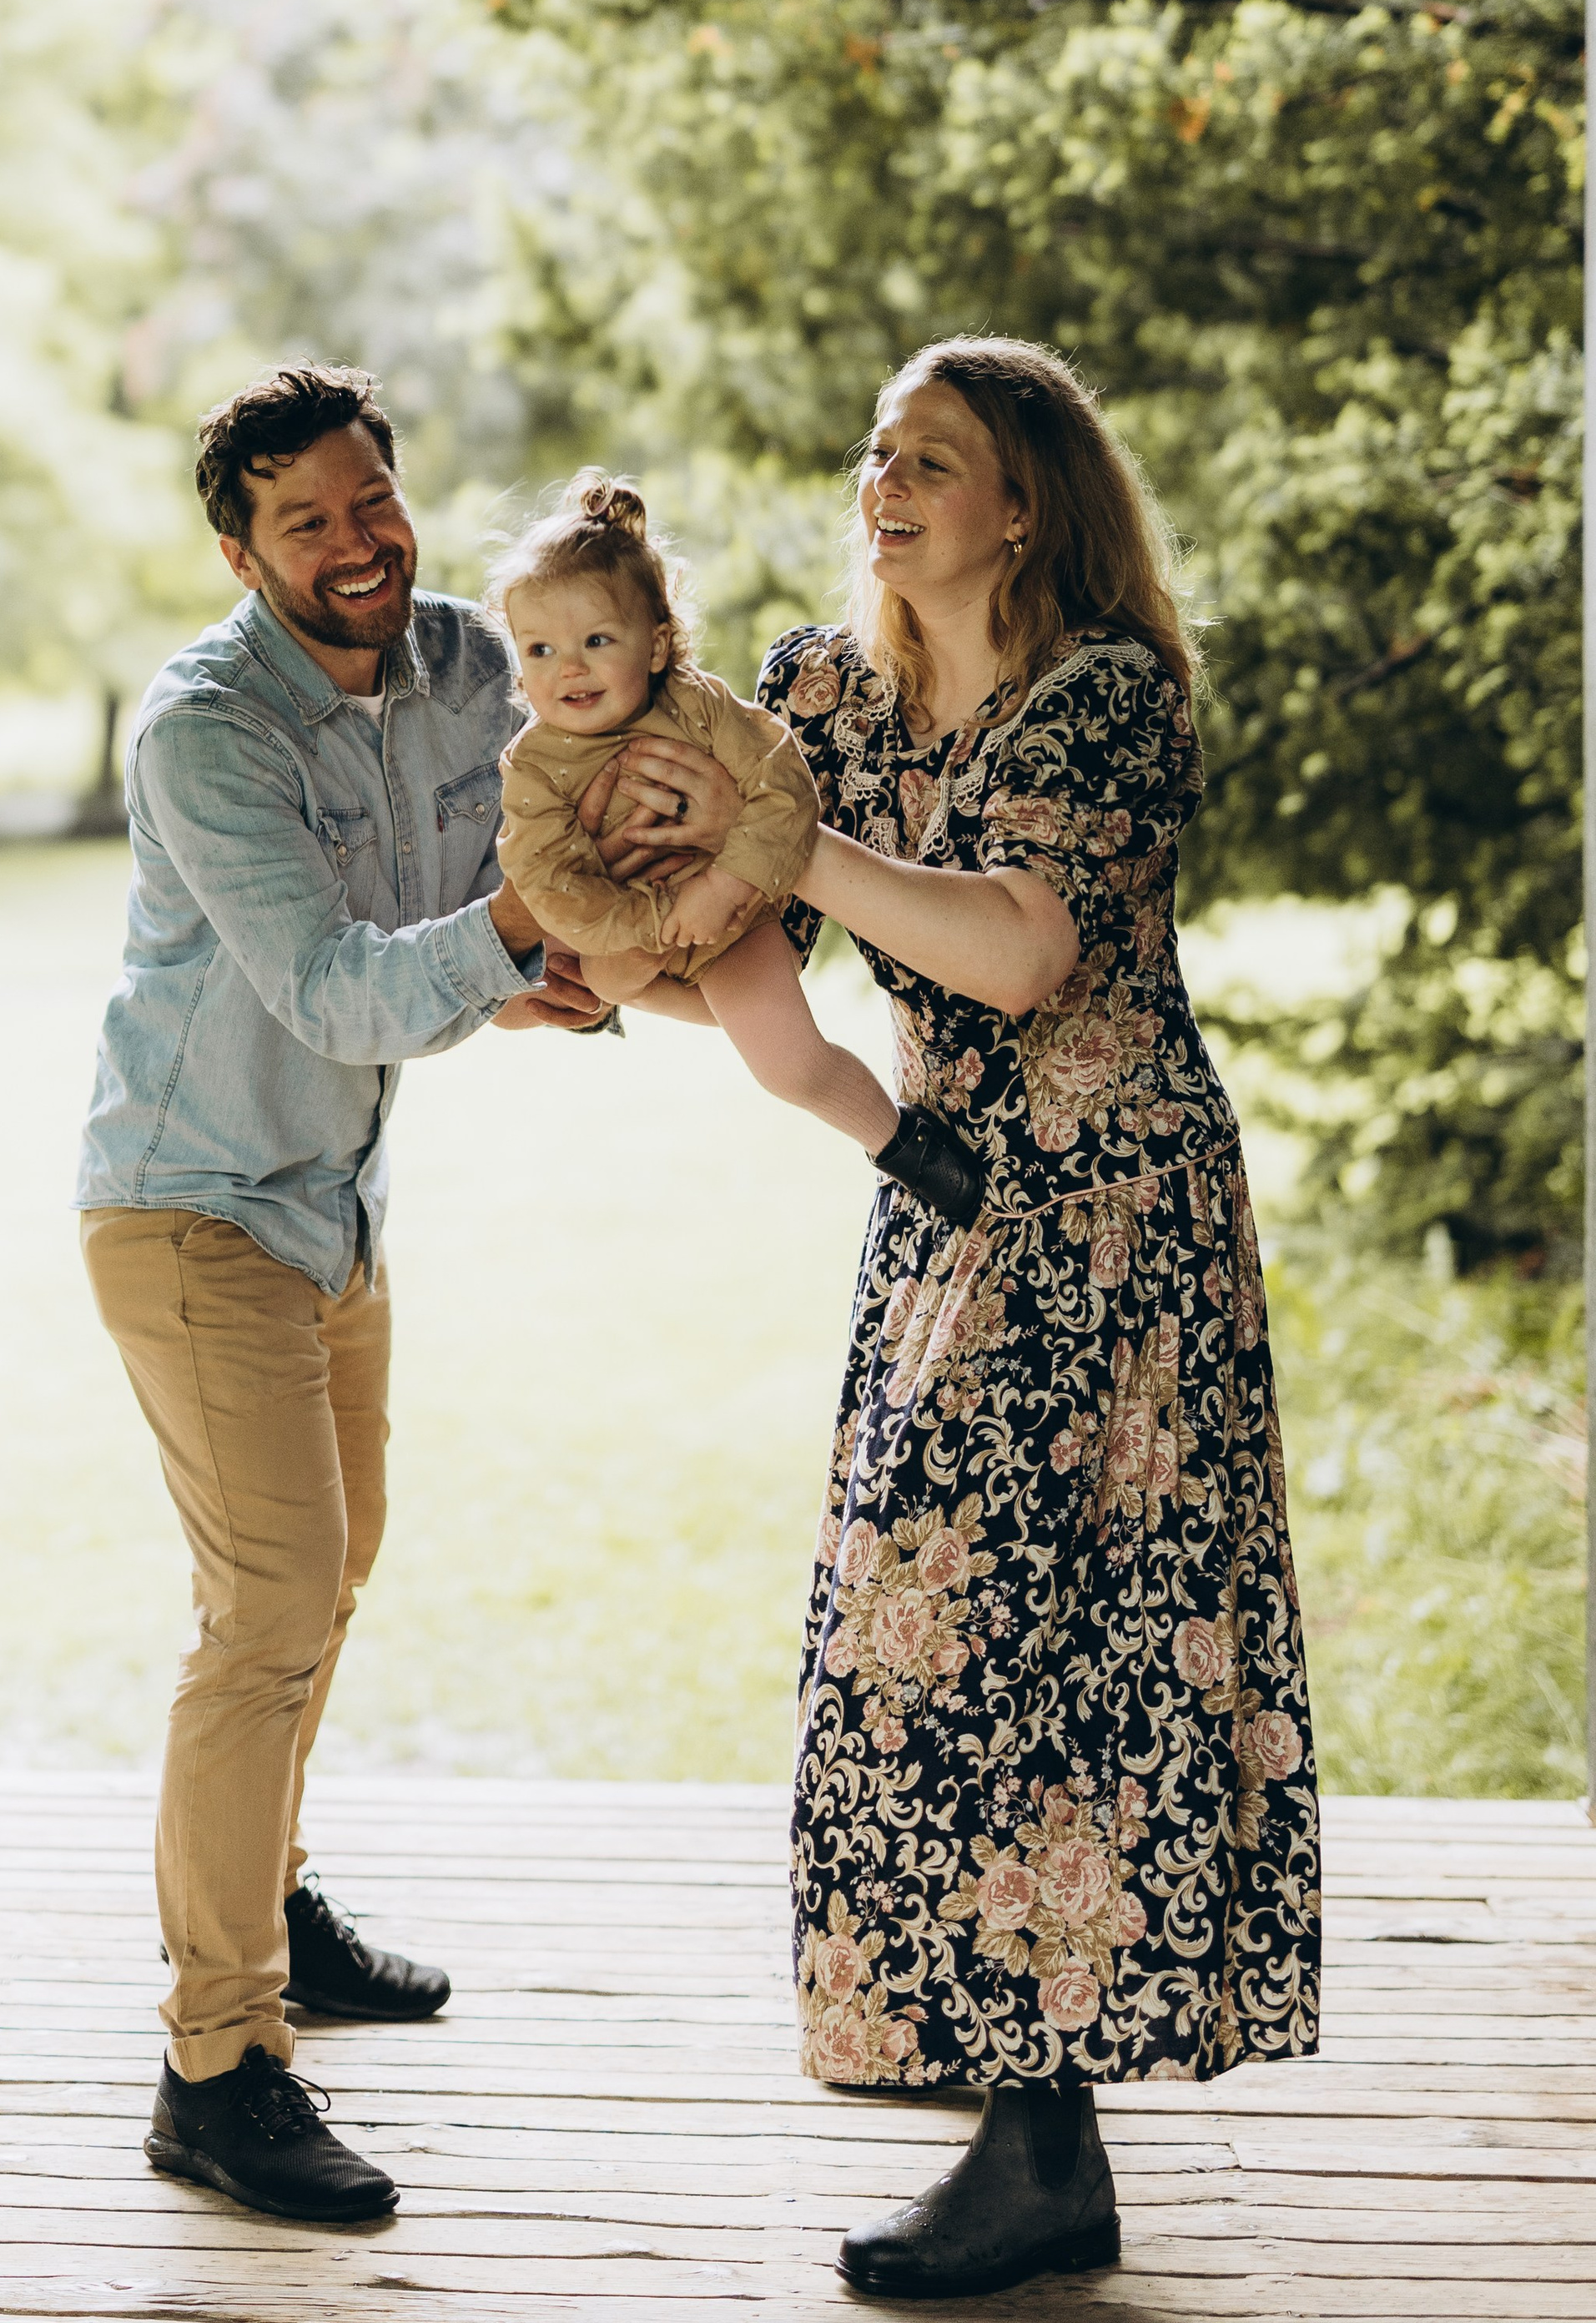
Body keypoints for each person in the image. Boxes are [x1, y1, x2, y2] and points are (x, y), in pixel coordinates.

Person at [594, 338, 1320, 2300]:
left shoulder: (1107, 695)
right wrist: (598, 946)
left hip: (1109, 1216)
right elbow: (757, 949)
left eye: (932, 455)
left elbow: (1010, 943)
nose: (882, 480)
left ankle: (1042, 2141)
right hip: (943, 1202)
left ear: (1023, 498)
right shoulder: (819, 688)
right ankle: (996, 2054)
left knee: (1068, 1640)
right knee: (916, 1631)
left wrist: (781, 836)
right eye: (872, 450)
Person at [73, 360, 602, 2231]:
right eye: (306, 520)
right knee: (268, 1605)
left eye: (370, 499)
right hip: (192, 1201)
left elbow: (563, 784)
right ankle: (214, 2066)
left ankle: (270, 1904)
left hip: (335, 1204)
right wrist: (521, 946)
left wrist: (605, 906)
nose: (357, 542)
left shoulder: (469, 662)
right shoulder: (202, 732)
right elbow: (330, 985)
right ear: (241, 549)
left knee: (334, 1563)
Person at [491, 469, 981, 1212]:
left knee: (786, 1063)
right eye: (540, 650)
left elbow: (786, 787)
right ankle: (659, 979)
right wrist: (653, 921)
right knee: (604, 975)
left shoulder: (698, 707)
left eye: (596, 639)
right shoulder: (533, 765)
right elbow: (544, 876)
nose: (571, 668)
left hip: (734, 916)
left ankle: (899, 1143)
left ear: (656, 647)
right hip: (631, 930)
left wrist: (720, 888)